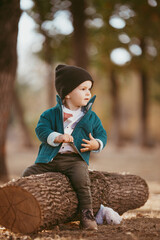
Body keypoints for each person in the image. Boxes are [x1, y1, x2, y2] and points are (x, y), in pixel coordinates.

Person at [22, 64, 107, 230]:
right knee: (28, 173)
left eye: (89, 89)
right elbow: (41, 130)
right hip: (50, 158)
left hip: (74, 160)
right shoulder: (50, 114)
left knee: (82, 180)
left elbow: (102, 134)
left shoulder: (90, 116)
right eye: (83, 89)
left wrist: (96, 143)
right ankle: (25, 205)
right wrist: (57, 137)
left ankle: (87, 214)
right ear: (67, 93)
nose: (88, 93)